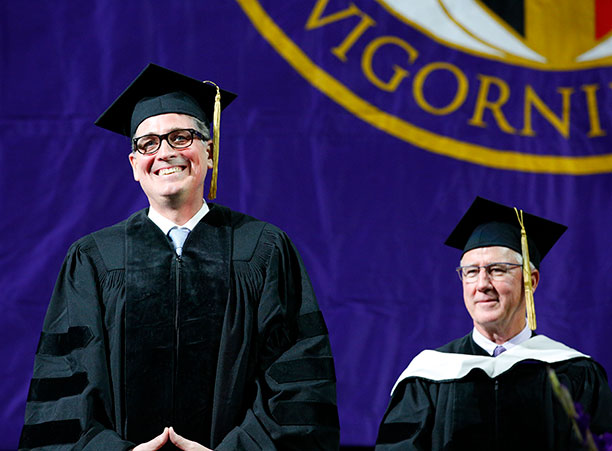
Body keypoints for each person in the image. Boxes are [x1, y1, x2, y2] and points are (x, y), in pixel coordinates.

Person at [19, 64, 339, 450]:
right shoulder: (93, 259)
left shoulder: (264, 249)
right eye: (148, 143)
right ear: (135, 165)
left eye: (181, 137)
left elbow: (297, 380)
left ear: (209, 149)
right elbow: (67, 384)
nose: (165, 152)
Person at [376, 196, 612, 450]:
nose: (482, 284)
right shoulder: (428, 375)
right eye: (471, 272)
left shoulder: (574, 372)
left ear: (530, 281)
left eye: (498, 270)